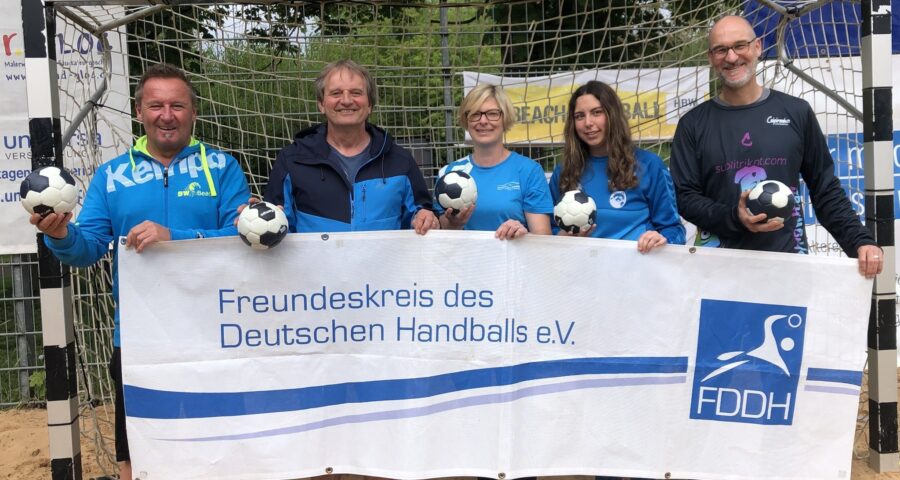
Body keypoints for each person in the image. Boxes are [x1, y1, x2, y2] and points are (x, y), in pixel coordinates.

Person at [29, 63, 250, 480]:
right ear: (138, 112)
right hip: (138, 336)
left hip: (216, 330)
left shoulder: (222, 168)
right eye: (156, 105)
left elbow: (241, 239)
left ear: (193, 112)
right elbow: (87, 248)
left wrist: (175, 237)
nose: (167, 115)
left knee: (221, 446)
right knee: (137, 450)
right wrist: (60, 235)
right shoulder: (113, 175)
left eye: (177, 105)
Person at [669, 15, 882, 278]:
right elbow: (685, 198)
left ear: (758, 46)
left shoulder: (796, 112)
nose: (732, 57)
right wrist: (734, 217)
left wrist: (859, 240)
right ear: (711, 58)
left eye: (740, 45)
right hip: (717, 270)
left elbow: (825, 189)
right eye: (721, 50)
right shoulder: (692, 124)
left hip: (787, 265)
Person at [264, 59, 438, 234]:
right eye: (336, 93)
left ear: (369, 104)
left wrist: (426, 218)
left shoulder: (400, 161)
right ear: (321, 104)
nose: (346, 101)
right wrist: (257, 220)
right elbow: (273, 225)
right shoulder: (293, 160)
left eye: (356, 93)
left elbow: (420, 216)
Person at [549, 80, 685, 253]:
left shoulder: (649, 165)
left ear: (612, 115)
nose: (588, 122)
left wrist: (663, 239)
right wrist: (562, 237)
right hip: (582, 267)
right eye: (579, 116)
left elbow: (674, 230)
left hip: (636, 268)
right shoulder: (565, 171)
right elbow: (548, 232)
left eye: (597, 112)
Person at [437, 83, 553, 239]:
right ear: (466, 120)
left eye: (492, 113)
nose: (483, 121)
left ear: (505, 118)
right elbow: (440, 237)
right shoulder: (449, 174)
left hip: (512, 256)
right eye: (475, 114)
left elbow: (543, 239)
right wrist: (454, 224)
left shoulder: (529, 171)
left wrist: (522, 232)